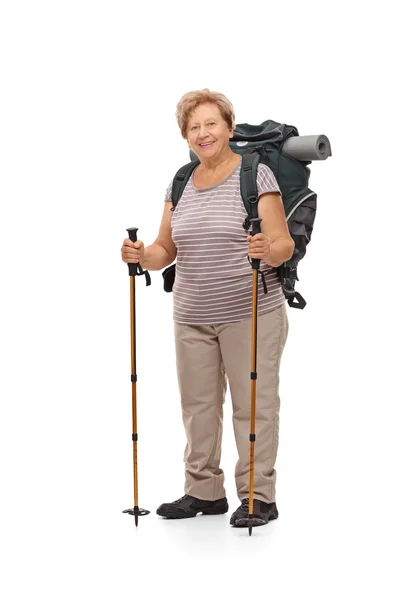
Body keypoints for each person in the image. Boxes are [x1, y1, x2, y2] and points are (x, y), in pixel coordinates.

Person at [121, 89, 294, 528]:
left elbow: (283, 244)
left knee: (252, 406)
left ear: (229, 129)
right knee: (198, 407)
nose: (203, 133)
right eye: (194, 126)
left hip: (250, 311)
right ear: (185, 135)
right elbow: (166, 248)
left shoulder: (256, 175)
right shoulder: (180, 181)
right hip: (191, 314)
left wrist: (265, 249)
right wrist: (142, 256)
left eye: (211, 123)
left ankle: (257, 497)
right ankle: (204, 491)